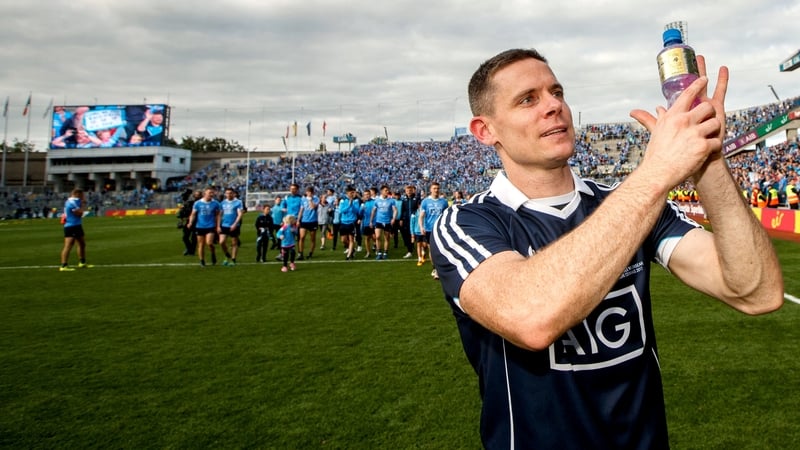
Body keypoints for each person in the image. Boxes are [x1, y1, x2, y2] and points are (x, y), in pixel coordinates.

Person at [430, 48, 784, 449]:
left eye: (556, 91)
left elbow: (756, 291)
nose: (554, 106)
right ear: (485, 130)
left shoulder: (630, 205)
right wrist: (655, 173)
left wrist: (709, 159)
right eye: (528, 99)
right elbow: (530, 318)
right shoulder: (466, 223)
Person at [419, 182, 449, 278]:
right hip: (429, 229)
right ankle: (435, 268)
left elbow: (446, 215)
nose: (436, 190)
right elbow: (421, 216)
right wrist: (421, 227)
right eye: (434, 188)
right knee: (432, 250)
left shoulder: (443, 202)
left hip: (440, 229)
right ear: (431, 189)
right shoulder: (425, 202)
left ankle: (441, 267)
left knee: (442, 249)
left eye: (437, 188)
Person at [59, 188, 92, 271]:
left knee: (82, 243)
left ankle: (82, 262)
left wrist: (82, 205)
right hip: (71, 226)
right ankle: (63, 265)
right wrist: (83, 206)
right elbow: (79, 214)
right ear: (78, 194)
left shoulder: (73, 201)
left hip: (76, 225)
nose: (83, 196)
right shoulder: (72, 202)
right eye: (82, 195)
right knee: (69, 245)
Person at [187, 187, 221, 267]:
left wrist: (218, 226)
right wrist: (190, 222)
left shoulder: (216, 203)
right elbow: (193, 214)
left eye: (212, 193)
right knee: (201, 244)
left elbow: (218, 215)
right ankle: (202, 261)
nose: (211, 194)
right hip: (200, 226)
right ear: (204, 193)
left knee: (209, 243)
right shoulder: (197, 203)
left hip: (211, 226)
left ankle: (213, 253)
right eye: (210, 193)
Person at [370, 185, 397, 260]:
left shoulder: (391, 200)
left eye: (388, 190)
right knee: (377, 237)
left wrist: (393, 218)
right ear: (381, 191)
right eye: (386, 190)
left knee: (387, 238)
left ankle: (385, 253)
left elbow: (395, 210)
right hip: (379, 221)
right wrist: (371, 221)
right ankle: (379, 252)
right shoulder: (377, 200)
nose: (387, 192)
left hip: (387, 221)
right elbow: (373, 211)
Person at [219, 187, 244, 266]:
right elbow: (220, 214)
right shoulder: (222, 203)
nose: (229, 195)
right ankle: (227, 254)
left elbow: (240, 214)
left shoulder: (238, 202)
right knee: (221, 242)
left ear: (233, 193)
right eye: (227, 193)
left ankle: (233, 259)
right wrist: (218, 225)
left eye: (230, 193)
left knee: (234, 243)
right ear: (225, 194)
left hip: (234, 225)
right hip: (224, 224)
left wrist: (235, 224)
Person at [338, 186, 361, 260]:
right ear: (347, 193)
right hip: (343, 222)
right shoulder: (343, 200)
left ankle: (349, 255)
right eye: (351, 192)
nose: (352, 194)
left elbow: (357, 211)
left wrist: (352, 205)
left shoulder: (356, 201)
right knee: (343, 240)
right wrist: (349, 205)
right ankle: (352, 249)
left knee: (351, 239)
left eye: (353, 192)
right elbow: (341, 211)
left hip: (352, 222)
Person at [296, 186, 319, 260]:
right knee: (302, 237)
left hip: (313, 221)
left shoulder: (316, 199)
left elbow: (313, 207)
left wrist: (310, 200)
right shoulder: (303, 200)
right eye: (308, 192)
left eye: (310, 192)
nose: (309, 193)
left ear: (312, 193)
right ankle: (300, 253)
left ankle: (310, 253)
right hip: (304, 220)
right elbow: (301, 210)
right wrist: (298, 220)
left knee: (312, 239)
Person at [398, 184, 419, 259]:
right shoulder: (404, 200)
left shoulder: (416, 199)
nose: (409, 192)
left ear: (412, 191)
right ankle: (409, 250)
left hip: (415, 220)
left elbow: (418, 209)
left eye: (410, 190)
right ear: (405, 191)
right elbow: (402, 210)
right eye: (407, 191)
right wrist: (401, 219)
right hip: (406, 220)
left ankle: (418, 249)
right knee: (407, 235)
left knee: (416, 235)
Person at [177, 189, 200, 255]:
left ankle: (191, 250)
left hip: (196, 221)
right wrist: (181, 220)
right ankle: (190, 249)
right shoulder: (186, 202)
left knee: (193, 237)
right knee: (185, 237)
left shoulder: (195, 202)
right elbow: (183, 212)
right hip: (188, 221)